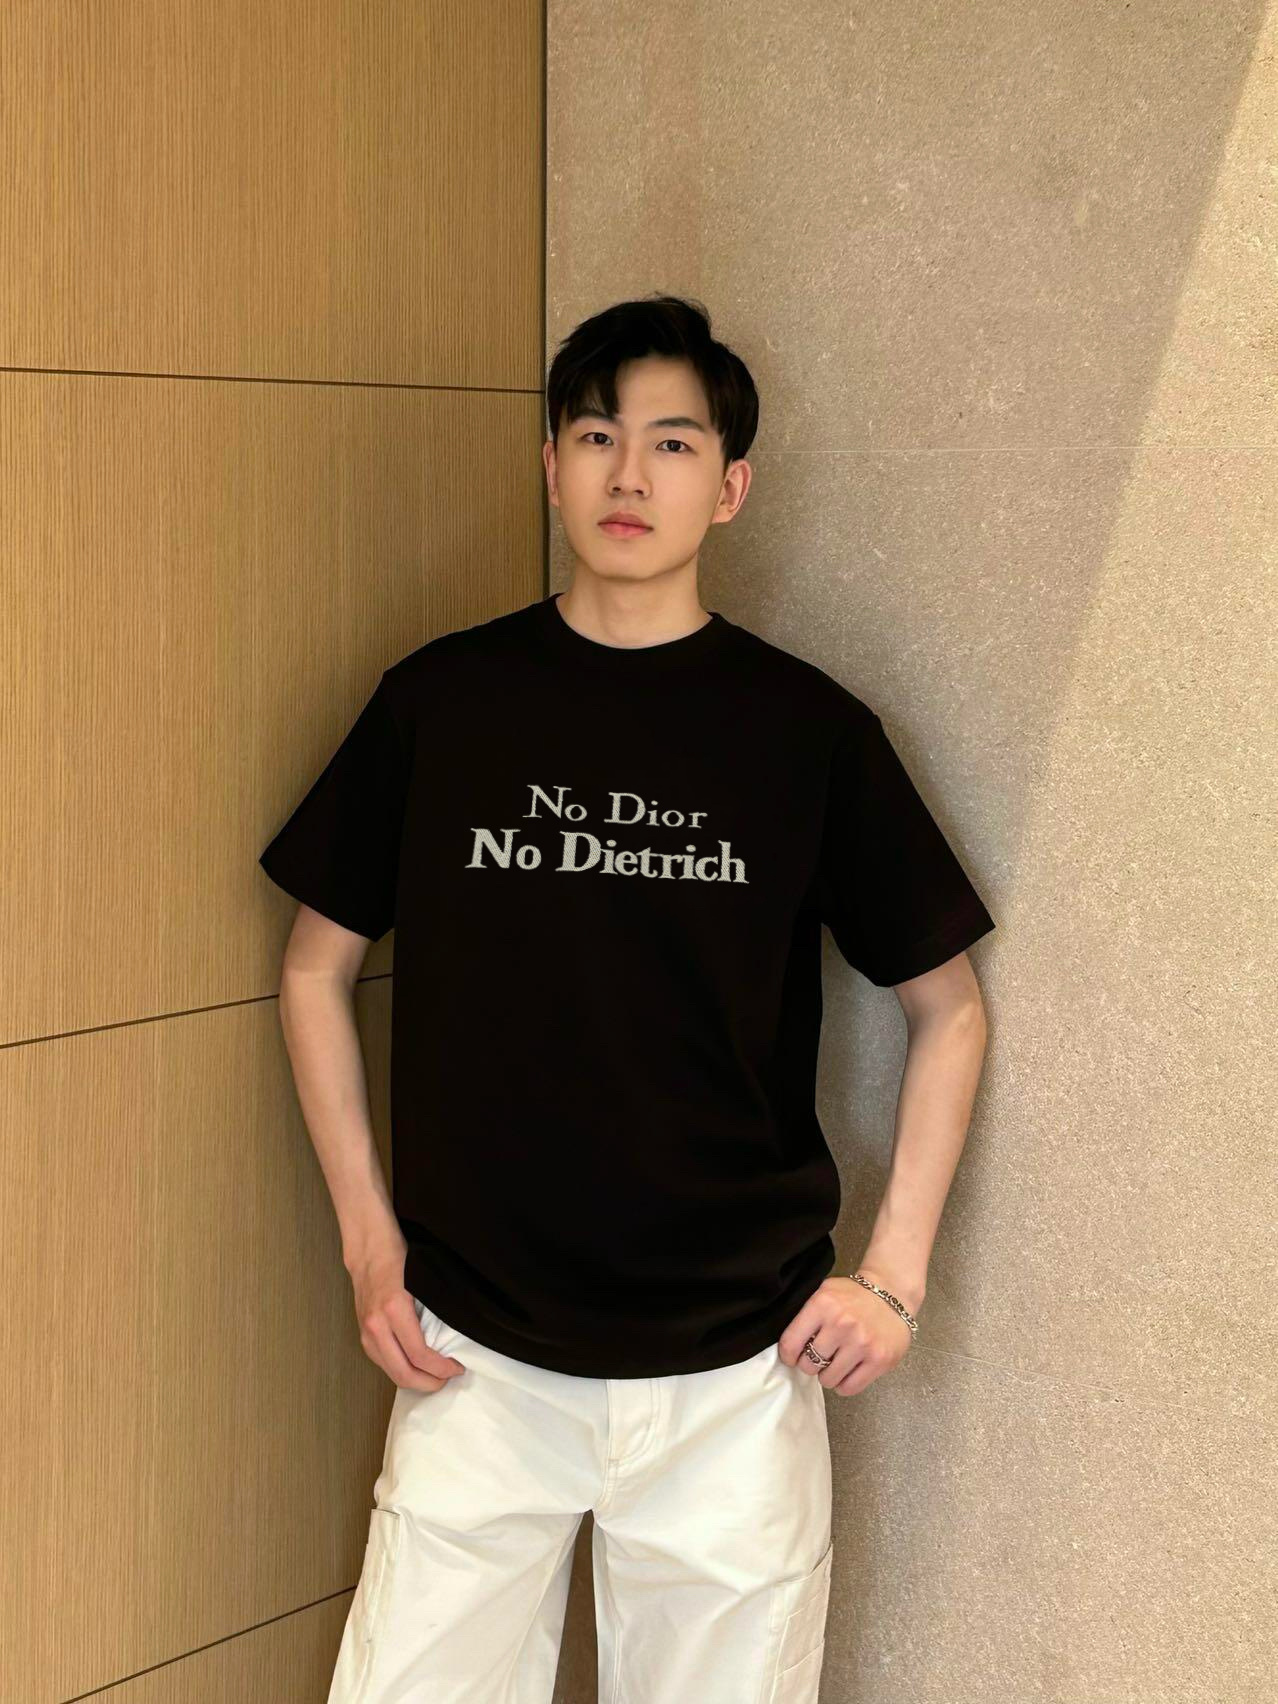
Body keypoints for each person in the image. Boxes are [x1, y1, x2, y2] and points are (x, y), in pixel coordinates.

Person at [258, 293, 994, 1704]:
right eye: (596, 437)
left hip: (737, 1364)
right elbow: (312, 967)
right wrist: (366, 1244)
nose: (628, 474)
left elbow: (948, 1008)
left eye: (671, 442)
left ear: (730, 487)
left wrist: (893, 1275)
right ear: (552, 467)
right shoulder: (443, 703)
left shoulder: (807, 733)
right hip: (474, 1350)